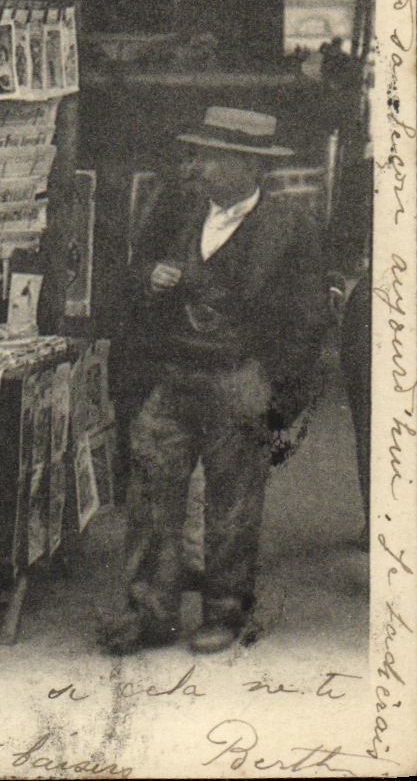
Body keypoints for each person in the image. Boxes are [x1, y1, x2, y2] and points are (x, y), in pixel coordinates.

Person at [104, 106, 329, 656]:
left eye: (208, 157)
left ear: (247, 166)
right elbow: (130, 273)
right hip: (173, 372)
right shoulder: (175, 207)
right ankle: (149, 612)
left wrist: (276, 394)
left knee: (233, 503)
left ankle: (225, 613)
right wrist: (148, 278)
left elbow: (308, 320)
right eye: (196, 155)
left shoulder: (290, 226)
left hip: (240, 380)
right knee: (153, 491)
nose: (195, 167)